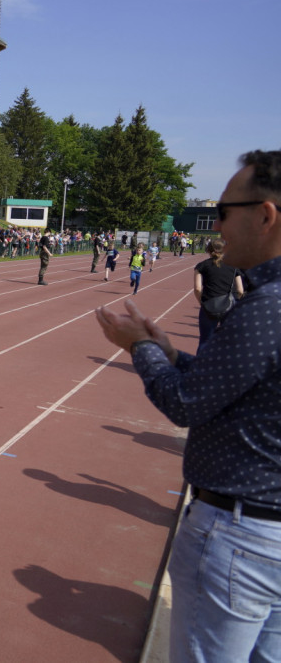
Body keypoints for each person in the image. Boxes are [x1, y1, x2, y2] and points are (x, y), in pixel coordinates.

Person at [94, 150, 281, 663]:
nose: (216, 224)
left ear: (265, 217)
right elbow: (240, 388)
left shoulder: (268, 309)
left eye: (223, 212)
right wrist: (172, 351)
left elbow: (187, 403)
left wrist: (140, 348)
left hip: (243, 534)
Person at [193, 237, 245, 350]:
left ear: (208, 250)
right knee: (228, 340)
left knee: (205, 340)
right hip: (229, 305)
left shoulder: (201, 266)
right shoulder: (234, 266)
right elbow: (240, 290)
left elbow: (197, 288)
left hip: (209, 305)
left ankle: (201, 365)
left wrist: (202, 302)